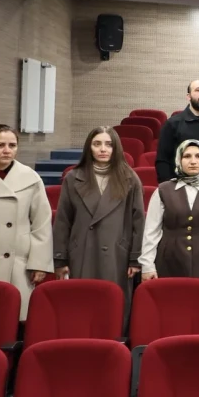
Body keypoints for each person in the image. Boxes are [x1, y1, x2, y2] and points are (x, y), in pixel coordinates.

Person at [52, 126, 145, 307]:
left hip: (117, 254)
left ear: (116, 148)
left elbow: (138, 221)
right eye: (97, 144)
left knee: (113, 306)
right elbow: (63, 220)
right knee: (83, 304)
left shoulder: (130, 178)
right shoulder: (73, 177)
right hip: (82, 251)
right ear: (89, 147)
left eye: (108, 144)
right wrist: (60, 259)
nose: (103, 149)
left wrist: (135, 259)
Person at [140, 140, 199, 284]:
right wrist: (147, 264)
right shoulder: (163, 190)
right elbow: (151, 231)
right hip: (168, 258)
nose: (193, 161)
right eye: (187, 156)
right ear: (179, 160)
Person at [0, 124, 52, 319]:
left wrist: (39, 263)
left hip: (19, 262)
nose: (7, 150)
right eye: (0, 145)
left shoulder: (30, 178)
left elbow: (41, 223)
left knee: (14, 318)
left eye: (12, 145)